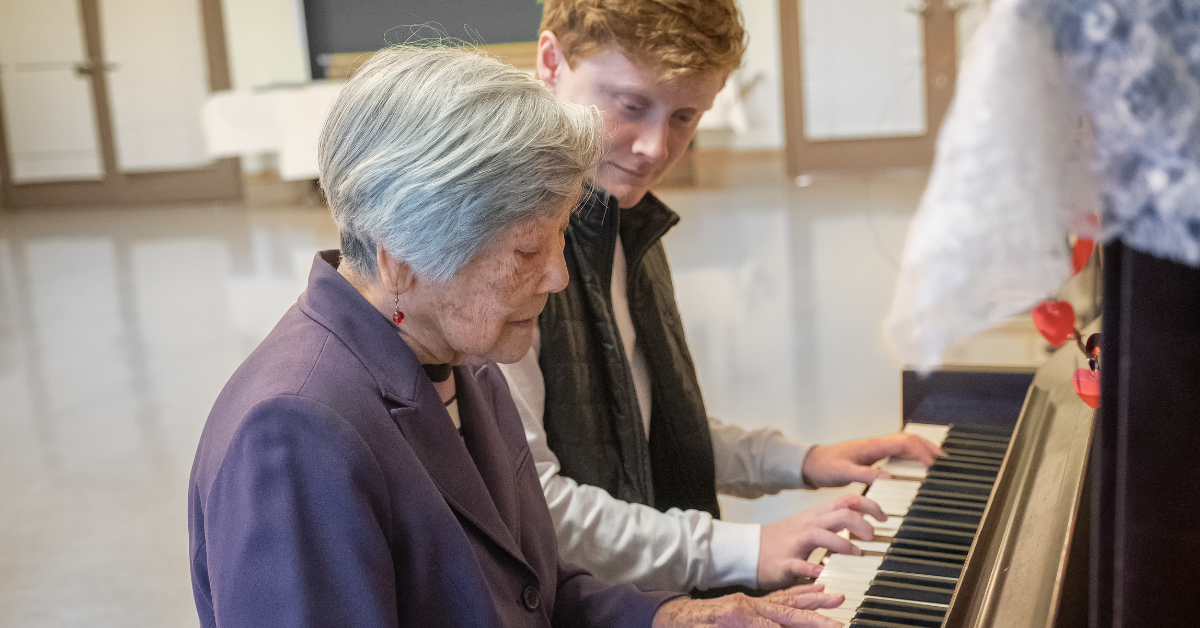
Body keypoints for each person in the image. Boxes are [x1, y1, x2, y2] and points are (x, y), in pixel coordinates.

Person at [187, 46, 847, 628]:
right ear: (402, 257)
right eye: (527, 249)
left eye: (560, 235)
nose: (558, 276)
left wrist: (676, 616)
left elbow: (536, 591)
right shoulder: (292, 433)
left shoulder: (461, 359)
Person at [497, 0, 945, 593]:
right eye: (631, 106)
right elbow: (535, 506)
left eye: (685, 116)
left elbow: (649, 430)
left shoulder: (624, 219)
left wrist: (801, 461)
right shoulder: (503, 243)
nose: (656, 148)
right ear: (551, 61)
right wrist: (746, 547)